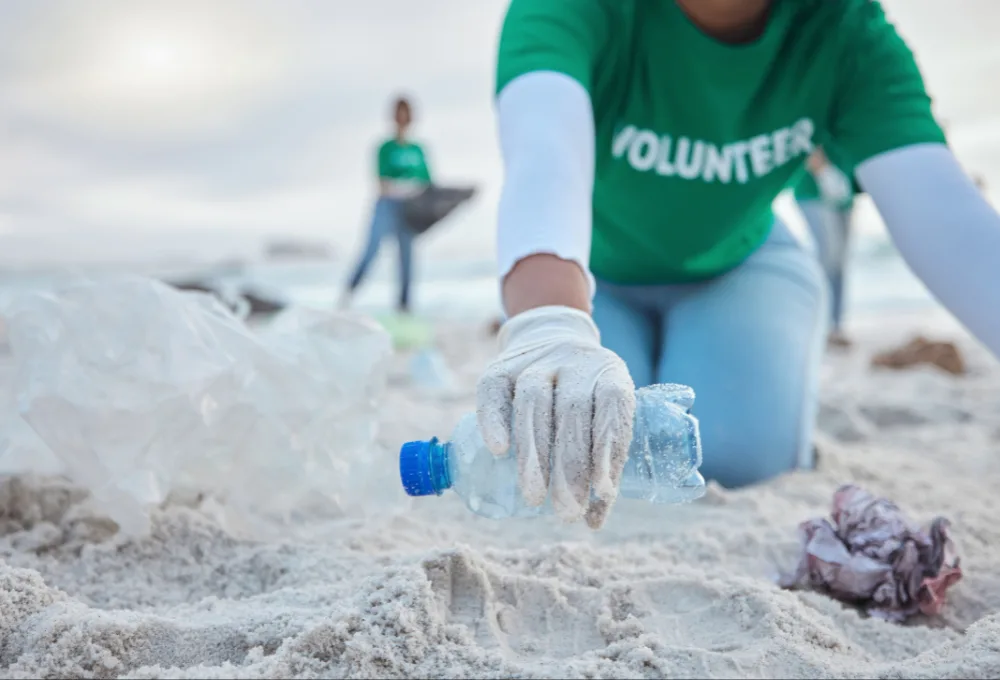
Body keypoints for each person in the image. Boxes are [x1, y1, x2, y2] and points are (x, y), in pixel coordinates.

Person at [476, 0, 1000, 530]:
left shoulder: (844, 30)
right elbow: (543, 156)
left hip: (738, 265)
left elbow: (944, 214)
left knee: (731, 456)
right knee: (571, 445)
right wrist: (550, 325)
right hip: (592, 280)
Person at [341, 96, 431, 314]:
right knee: (371, 249)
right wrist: (407, 186)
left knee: (407, 258)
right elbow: (382, 183)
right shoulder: (385, 148)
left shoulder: (418, 150)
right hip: (387, 205)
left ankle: (404, 308)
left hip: (411, 209)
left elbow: (428, 183)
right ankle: (347, 296)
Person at [794, 146, 860, 348]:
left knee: (839, 262)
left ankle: (836, 326)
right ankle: (816, 326)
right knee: (827, 258)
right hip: (813, 189)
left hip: (844, 188)